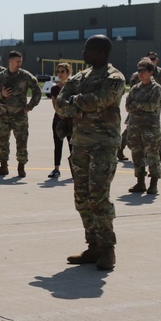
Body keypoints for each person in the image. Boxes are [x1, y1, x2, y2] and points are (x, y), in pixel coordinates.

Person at [55, 35, 125, 271]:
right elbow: (61, 103)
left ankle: (108, 249)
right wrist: (77, 101)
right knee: (82, 199)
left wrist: (75, 101)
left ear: (101, 52)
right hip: (81, 144)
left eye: (88, 49)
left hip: (103, 145)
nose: (84, 53)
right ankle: (93, 245)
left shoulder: (114, 78)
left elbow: (101, 100)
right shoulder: (79, 77)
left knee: (99, 198)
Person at [0, 51, 41, 177]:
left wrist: (29, 106)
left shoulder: (25, 76)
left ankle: (21, 167)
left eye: (21, 61)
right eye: (17, 61)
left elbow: (37, 91)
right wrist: (1, 95)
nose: (20, 63)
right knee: (2, 140)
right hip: (4, 114)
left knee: (22, 141)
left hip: (19, 114)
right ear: (10, 61)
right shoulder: (0, 77)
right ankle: (3, 166)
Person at [118, 51, 161, 162]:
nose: (151, 60)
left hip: (154, 108)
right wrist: (136, 105)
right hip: (137, 110)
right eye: (149, 58)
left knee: (155, 129)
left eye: (153, 58)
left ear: (156, 60)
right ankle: (119, 148)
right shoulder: (137, 75)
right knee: (130, 129)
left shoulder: (160, 73)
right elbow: (132, 93)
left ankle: (160, 152)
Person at [125, 58, 161, 194]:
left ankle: (153, 183)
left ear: (151, 72)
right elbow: (128, 106)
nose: (140, 73)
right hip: (134, 127)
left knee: (152, 155)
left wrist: (137, 105)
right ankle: (140, 182)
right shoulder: (135, 88)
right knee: (137, 154)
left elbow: (152, 106)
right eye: (138, 70)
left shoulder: (156, 88)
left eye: (143, 70)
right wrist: (140, 105)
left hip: (150, 129)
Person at [48, 63, 73, 178]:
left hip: (71, 120)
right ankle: (56, 168)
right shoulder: (55, 88)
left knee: (72, 144)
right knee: (58, 144)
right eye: (58, 72)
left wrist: (68, 115)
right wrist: (61, 114)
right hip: (58, 120)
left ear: (68, 73)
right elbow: (54, 104)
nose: (60, 74)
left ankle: (75, 167)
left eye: (63, 71)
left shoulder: (73, 87)